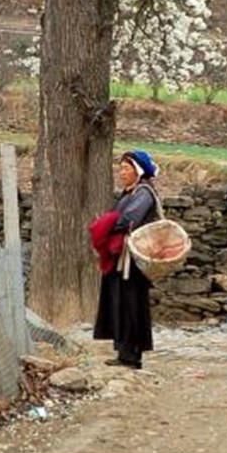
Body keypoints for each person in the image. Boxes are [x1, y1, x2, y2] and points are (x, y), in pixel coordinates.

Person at [91, 149, 160, 369]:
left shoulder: (144, 193)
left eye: (125, 168)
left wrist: (106, 225)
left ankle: (132, 356)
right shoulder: (129, 193)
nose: (121, 173)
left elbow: (130, 218)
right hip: (121, 257)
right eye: (120, 168)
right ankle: (123, 352)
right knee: (119, 302)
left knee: (131, 303)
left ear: (137, 171)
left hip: (132, 260)